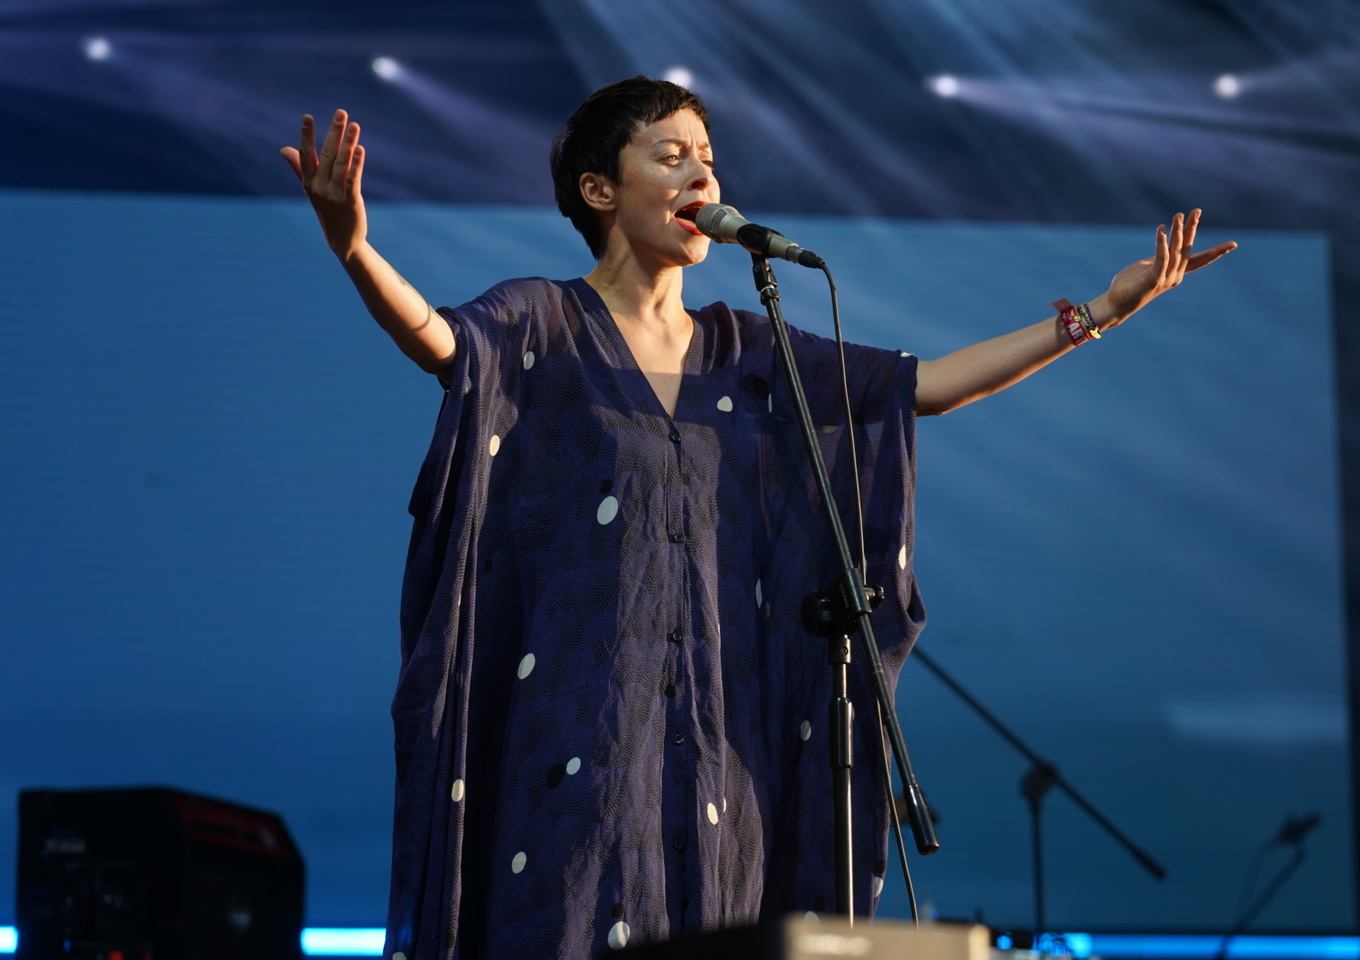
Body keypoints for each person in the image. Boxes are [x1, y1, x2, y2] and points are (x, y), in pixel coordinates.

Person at [280, 76, 1237, 959]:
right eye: (671, 156)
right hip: (575, 743)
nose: (702, 175)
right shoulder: (541, 321)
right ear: (600, 191)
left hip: (716, 754)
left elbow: (927, 387)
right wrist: (354, 247)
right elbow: (443, 343)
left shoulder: (748, 350)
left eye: (708, 157)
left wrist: (1098, 313)